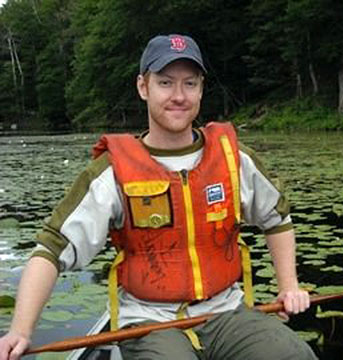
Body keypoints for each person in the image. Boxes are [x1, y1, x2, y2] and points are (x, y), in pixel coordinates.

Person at [0, 34, 316, 360]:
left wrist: (288, 286)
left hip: (226, 312)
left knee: (294, 355)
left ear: (201, 89)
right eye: (165, 82)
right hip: (149, 321)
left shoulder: (234, 158)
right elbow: (52, 249)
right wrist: (21, 330)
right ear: (143, 87)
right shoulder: (112, 172)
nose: (179, 96)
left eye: (190, 84)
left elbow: (277, 218)